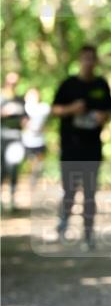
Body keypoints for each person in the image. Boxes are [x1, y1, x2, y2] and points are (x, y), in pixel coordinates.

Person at [52, 44, 111, 250]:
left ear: (95, 61)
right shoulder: (68, 84)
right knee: (69, 189)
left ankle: (88, 234)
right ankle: (64, 224)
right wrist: (72, 109)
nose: (88, 62)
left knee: (89, 193)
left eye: (91, 58)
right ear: (80, 60)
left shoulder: (102, 85)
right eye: (84, 58)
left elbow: (110, 112)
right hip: (70, 146)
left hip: (92, 147)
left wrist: (102, 117)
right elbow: (55, 109)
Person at [1, 71, 26, 212]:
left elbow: (25, 118)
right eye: (10, 82)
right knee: (1, 169)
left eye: (15, 82)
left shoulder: (19, 99)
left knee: (13, 167)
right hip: (1, 138)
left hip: (16, 138)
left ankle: (12, 199)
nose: (12, 85)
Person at [22, 87, 51, 186]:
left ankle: (35, 181)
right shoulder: (24, 108)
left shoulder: (43, 108)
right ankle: (31, 181)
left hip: (40, 141)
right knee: (30, 162)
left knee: (38, 165)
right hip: (27, 141)